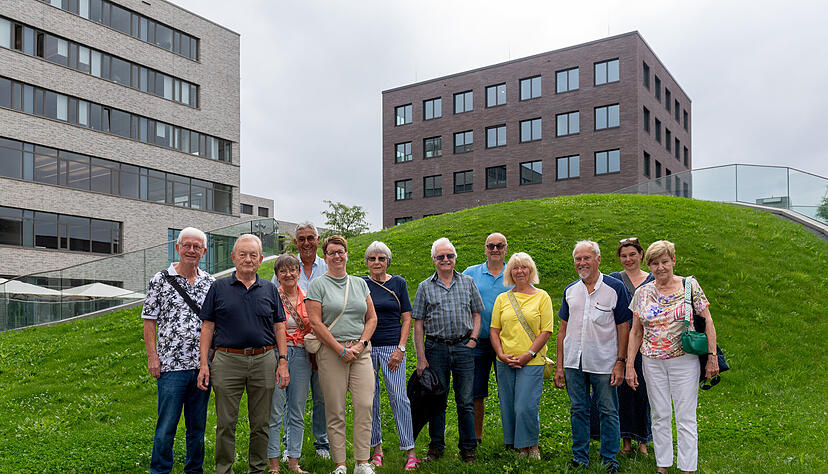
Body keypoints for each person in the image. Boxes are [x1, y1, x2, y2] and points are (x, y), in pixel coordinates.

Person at [197, 234, 290, 474]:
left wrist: (282, 361)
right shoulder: (218, 287)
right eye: (242, 254)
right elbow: (207, 326)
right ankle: (224, 469)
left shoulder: (270, 289)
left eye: (253, 255)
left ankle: (257, 469)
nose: (247, 259)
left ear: (260, 260)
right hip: (227, 361)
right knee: (226, 423)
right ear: (233, 257)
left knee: (261, 424)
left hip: (264, 359)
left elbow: (279, 326)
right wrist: (204, 364)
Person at [626, 240, 719, 474]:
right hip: (651, 360)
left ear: (673, 261)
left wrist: (712, 357)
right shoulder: (643, 292)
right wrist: (629, 364)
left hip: (684, 360)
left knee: (685, 415)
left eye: (665, 261)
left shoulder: (689, 286)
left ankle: (688, 468)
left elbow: (708, 321)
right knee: (659, 414)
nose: (660, 267)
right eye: (655, 263)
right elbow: (636, 330)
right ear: (650, 265)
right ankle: (662, 466)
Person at [553, 240, 631, 473]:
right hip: (573, 362)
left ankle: (609, 459)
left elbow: (623, 327)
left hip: (604, 362)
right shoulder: (570, 290)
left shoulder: (614, 288)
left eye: (587, 258)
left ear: (598, 260)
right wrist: (559, 365)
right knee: (578, 409)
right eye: (578, 259)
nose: (582, 263)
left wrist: (621, 362)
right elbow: (562, 330)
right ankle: (580, 457)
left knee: (608, 410)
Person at [142, 227, 215, 474]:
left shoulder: (211, 282)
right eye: (187, 245)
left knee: (197, 427)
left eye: (197, 247)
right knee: (166, 426)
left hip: (201, 366)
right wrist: (153, 356)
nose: (191, 250)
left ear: (204, 252)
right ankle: (160, 470)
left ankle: (194, 470)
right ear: (178, 248)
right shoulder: (159, 280)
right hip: (171, 366)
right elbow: (149, 321)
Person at [306, 235, 378, 474]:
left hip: (361, 352)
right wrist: (340, 350)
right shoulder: (318, 285)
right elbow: (315, 323)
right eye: (332, 252)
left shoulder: (359, 284)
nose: (337, 256)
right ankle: (340, 464)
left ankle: (361, 462)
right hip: (331, 352)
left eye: (341, 251)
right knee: (335, 408)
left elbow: (371, 318)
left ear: (347, 255)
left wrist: (360, 344)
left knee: (364, 405)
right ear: (325, 257)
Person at [412, 237, 484, 463]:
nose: (446, 259)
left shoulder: (468, 282)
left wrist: (473, 339)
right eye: (441, 256)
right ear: (434, 260)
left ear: (455, 258)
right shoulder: (425, 286)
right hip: (436, 348)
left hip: (463, 347)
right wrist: (421, 357)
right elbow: (418, 323)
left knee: (465, 400)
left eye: (449, 256)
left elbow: (476, 313)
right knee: (437, 400)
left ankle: (468, 448)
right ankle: (436, 447)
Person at [271, 221, 330, 460]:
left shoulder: (327, 267)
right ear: (296, 242)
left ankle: (322, 443)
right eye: (302, 239)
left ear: (317, 240)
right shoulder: (286, 265)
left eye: (311, 238)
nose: (306, 243)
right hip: (289, 346)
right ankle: (286, 445)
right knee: (290, 400)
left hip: (320, 342)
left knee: (321, 394)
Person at [361, 241, 419, 471]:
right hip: (367, 349)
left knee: (399, 398)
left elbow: (407, 318)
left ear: (388, 261)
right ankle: (376, 449)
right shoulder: (361, 284)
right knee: (370, 399)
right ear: (367, 262)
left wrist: (401, 348)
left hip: (392, 349)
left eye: (381, 258)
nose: (376, 262)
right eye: (372, 258)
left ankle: (410, 450)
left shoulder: (398, 283)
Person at [489, 252, 553, 460]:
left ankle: (531, 446)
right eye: (515, 268)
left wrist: (529, 353)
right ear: (510, 272)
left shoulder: (542, 296)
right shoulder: (502, 298)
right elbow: (494, 330)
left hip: (532, 361)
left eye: (524, 267)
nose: (520, 271)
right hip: (505, 360)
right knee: (508, 404)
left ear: (531, 270)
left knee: (525, 405)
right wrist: (500, 353)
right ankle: (516, 445)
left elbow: (546, 331)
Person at [462, 232, 512, 444]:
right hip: (479, 341)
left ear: (506, 248)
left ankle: (512, 437)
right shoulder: (471, 273)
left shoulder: (514, 271)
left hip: (508, 342)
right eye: (490, 246)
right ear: (485, 248)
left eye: (499, 246)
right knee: (476, 393)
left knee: (509, 392)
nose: (495, 249)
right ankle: (476, 437)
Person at [268, 254, 313, 474]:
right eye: (283, 271)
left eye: (293, 270)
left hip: (303, 355)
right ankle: (274, 464)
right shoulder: (271, 298)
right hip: (278, 355)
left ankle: (294, 461)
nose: (288, 274)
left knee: (297, 411)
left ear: (299, 272)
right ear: (277, 275)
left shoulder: (307, 298)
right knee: (275, 411)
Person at [609, 237, 654, 455]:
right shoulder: (614, 280)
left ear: (641, 255)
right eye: (624, 256)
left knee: (644, 392)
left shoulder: (653, 279)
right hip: (622, 343)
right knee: (623, 393)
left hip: (650, 345)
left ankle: (643, 441)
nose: (628, 259)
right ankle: (626, 441)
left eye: (632, 255)